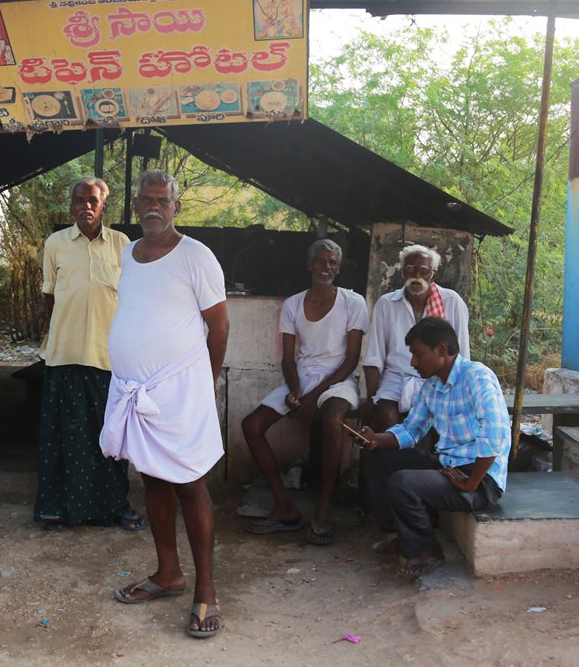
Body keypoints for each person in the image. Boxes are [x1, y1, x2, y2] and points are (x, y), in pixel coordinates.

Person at [99, 169, 230, 639]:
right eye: (147, 199)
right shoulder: (129, 255)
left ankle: (206, 592)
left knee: (191, 484)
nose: (154, 207)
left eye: (163, 200)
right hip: (138, 390)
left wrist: (205, 383)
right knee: (152, 478)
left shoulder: (197, 256)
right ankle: (167, 574)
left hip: (181, 390)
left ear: (177, 207)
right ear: (136, 205)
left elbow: (218, 328)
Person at [354, 317, 509, 576]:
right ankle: (403, 534)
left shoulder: (477, 377)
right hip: (449, 466)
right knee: (376, 457)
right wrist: (376, 439)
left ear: (441, 349)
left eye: (417, 354)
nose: (413, 362)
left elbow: (494, 435)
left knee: (403, 482)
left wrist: (472, 482)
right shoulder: (432, 386)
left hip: (481, 478)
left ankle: (426, 550)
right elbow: (411, 430)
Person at [241, 238, 366, 545]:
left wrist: (313, 396)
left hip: (338, 381)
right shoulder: (294, 304)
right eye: (321, 261)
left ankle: (322, 510)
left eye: (333, 262)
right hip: (303, 377)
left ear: (338, 268)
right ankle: (284, 506)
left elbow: (350, 360)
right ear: (310, 265)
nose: (327, 267)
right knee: (252, 426)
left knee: (332, 420)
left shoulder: (353, 302)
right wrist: (296, 390)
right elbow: (287, 358)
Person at [33, 175, 141, 532]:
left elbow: (129, 302)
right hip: (63, 355)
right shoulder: (56, 244)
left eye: (92, 201)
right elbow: (51, 297)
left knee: (109, 437)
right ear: (71, 206)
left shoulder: (122, 245)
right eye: (79, 201)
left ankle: (114, 506)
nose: (86, 207)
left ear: (103, 205)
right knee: (62, 437)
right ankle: (56, 508)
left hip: (106, 358)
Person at [361, 244, 470, 433]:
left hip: (438, 377)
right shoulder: (386, 304)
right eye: (410, 269)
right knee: (387, 415)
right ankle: (398, 463)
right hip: (396, 377)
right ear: (402, 273)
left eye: (424, 271)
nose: (417, 276)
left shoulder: (452, 302)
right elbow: (374, 357)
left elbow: (462, 354)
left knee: (446, 422)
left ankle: (434, 462)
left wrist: (460, 394)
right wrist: (371, 399)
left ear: (433, 275)